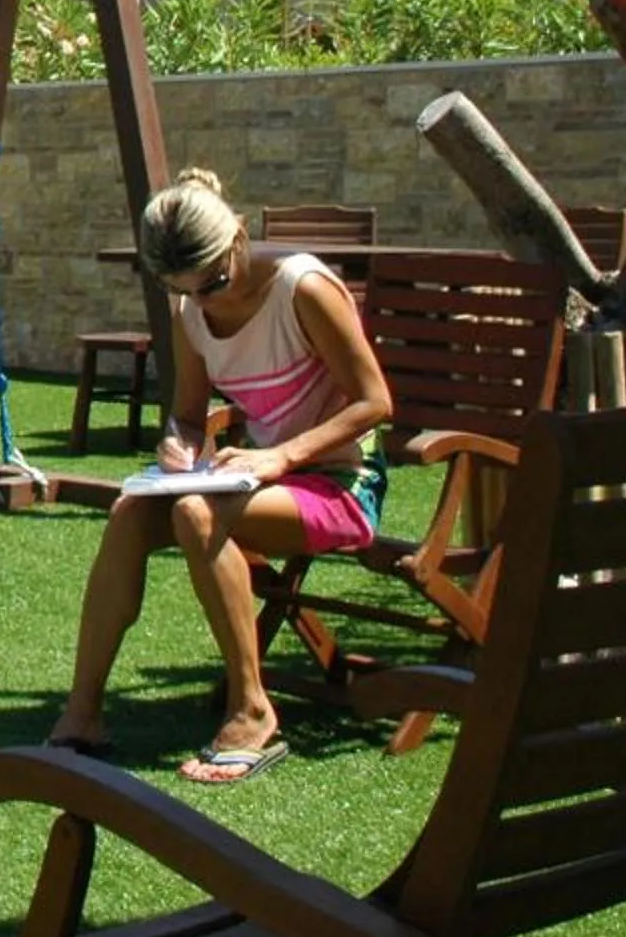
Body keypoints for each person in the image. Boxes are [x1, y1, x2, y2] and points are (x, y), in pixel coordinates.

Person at [44, 167, 392, 783]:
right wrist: (178, 448)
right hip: (252, 482)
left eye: (215, 284)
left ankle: (253, 709)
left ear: (237, 237)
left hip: (342, 484)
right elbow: (185, 416)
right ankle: (83, 712)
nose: (205, 301)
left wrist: (279, 457)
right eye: (186, 290)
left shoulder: (303, 289)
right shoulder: (191, 313)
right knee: (131, 514)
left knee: (195, 511)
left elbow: (374, 403)